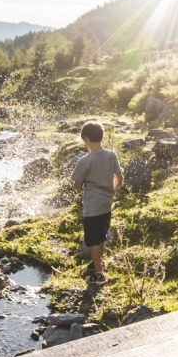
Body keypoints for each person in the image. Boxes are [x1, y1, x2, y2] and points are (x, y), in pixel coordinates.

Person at [71, 121, 124, 285]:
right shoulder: (111, 155)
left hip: (92, 206)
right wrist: (112, 190)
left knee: (93, 240)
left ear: (85, 138)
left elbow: (77, 185)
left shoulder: (85, 160)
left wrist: (79, 185)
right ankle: (98, 264)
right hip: (106, 204)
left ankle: (99, 275)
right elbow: (119, 177)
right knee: (101, 236)